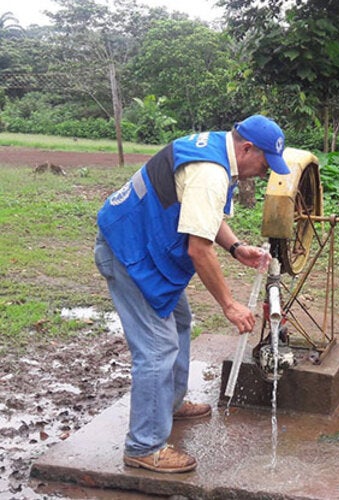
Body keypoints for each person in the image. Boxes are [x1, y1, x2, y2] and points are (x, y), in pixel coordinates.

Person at [94, 115, 289, 473]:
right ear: (247, 148)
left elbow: (205, 215)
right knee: (157, 347)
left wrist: (235, 247)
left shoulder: (217, 149)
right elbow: (198, 250)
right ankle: (144, 445)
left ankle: (167, 403)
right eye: (264, 163)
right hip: (128, 252)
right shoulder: (211, 173)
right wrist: (230, 305)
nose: (264, 172)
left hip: (145, 246)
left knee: (179, 320)